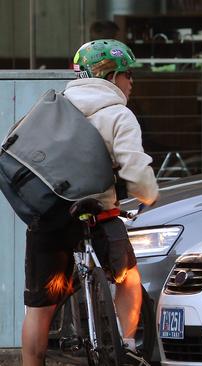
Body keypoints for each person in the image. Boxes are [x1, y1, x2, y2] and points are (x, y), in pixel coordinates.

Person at [21, 39, 158, 366]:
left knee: (40, 308)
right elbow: (137, 173)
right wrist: (149, 196)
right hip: (100, 215)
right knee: (129, 279)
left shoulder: (51, 107)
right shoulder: (118, 114)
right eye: (128, 75)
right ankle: (126, 345)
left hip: (49, 218)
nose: (131, 82)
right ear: (112, 77)